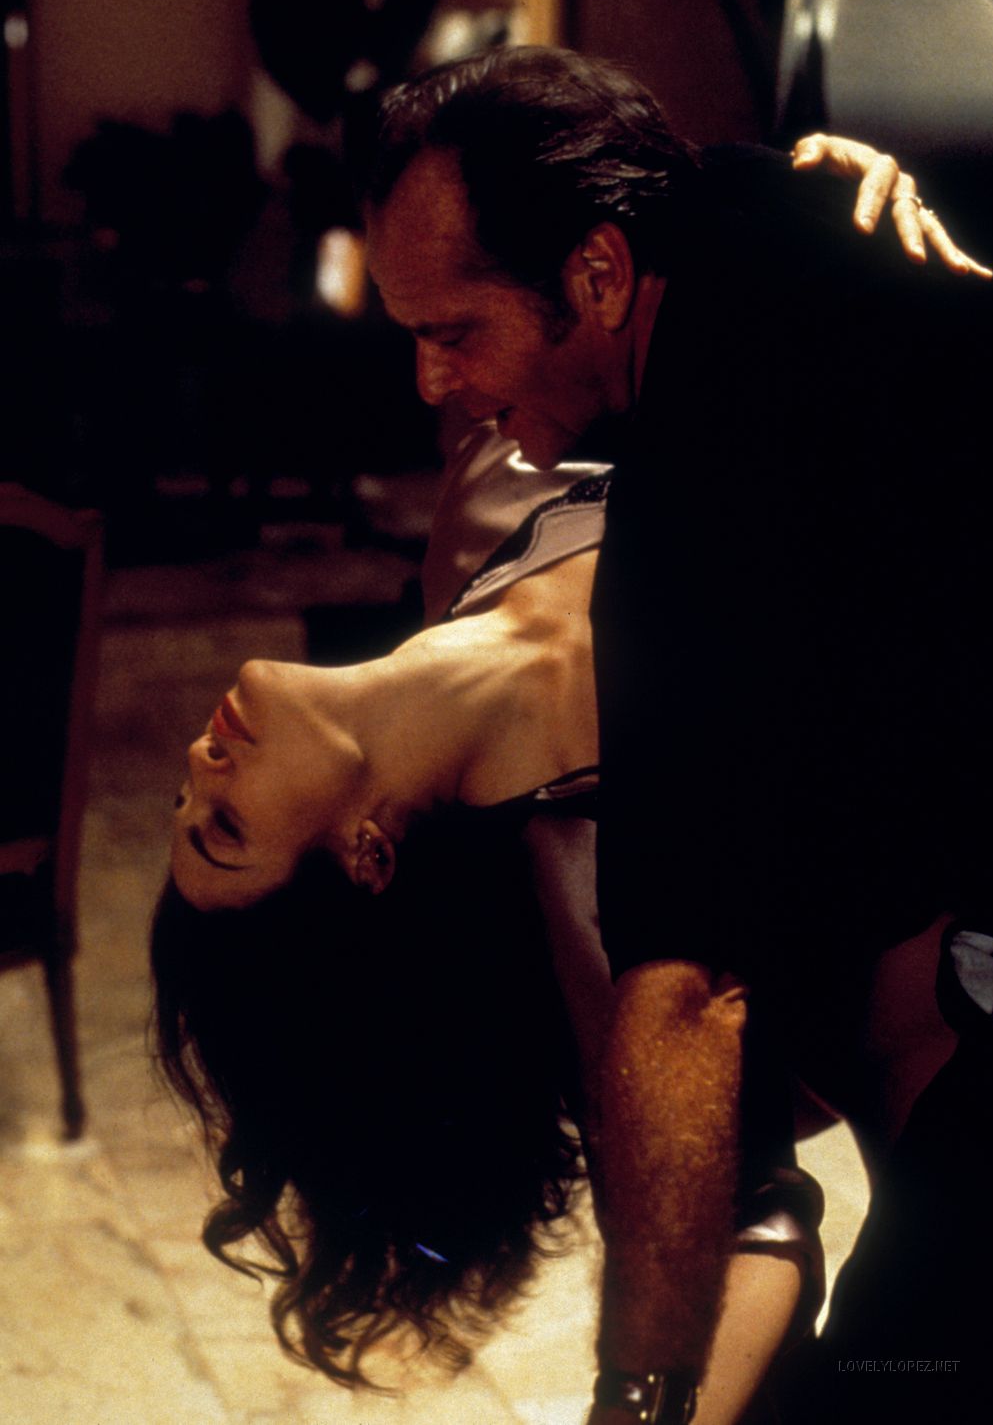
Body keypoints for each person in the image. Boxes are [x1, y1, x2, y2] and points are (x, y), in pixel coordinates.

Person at [362, 46, 993, 1424]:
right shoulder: (765, 210)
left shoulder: (697, 499)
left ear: (598, 275)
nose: (429, 380)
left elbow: (687, 995)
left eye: (455, 331)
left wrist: (638, 1393)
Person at [155, 465, 826, 1425]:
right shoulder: (587, 879)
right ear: (368, 858)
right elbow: (747, 1219)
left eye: (185, 802)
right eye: (225, 827)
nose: (200, 763)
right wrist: (636, 1399)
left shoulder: (483, 505)